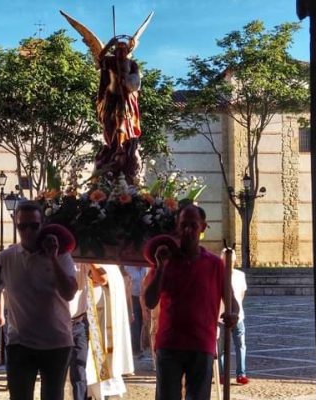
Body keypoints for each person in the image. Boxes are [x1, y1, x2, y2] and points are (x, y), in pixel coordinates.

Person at [0, 201, 78, 400]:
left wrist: (52, 257)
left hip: (56, 343)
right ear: (16, 226)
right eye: (22, 226)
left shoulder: (61, 256)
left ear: (42, 225)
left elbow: (69, 292)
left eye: (33, 226)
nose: (28, 231)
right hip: (20, 344)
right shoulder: (6, 258)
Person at [144, 205, 239, 400]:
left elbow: (231, 300)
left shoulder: (214, 264)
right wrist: (161, 268)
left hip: (201, 344)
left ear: (203, 227)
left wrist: (233, 315)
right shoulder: (164, 261)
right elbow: (150, 301)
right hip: (169, 345)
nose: (188, 230)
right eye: (184, 225)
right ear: (177, 227)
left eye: (193, 225)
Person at [94, 38, 142, 185]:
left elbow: (137, 82)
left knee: (121, 120)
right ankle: (110, 146)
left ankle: (121, 146)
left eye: (124, 49)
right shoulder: (109, 61)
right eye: (118, 49)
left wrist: (127, 82)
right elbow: (99, 58)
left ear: (128, 51)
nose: (121, 52)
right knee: (108, 124)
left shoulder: (132, 64)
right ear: (115, 51)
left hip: (123, 98)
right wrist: (108, 44)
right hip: (109, 97)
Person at [86, 264, 134, 400]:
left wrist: (90, 263)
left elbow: (102, 279)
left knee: (101, 368)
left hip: (102, 324)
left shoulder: (109, 266)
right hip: (89, 319)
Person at [67, 263, 108, 400]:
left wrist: (90, 260)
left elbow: (103, 279)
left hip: (79, 324)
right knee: (56, 372)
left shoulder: (84, 263)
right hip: (58, 324)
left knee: (79, 371)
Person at [218, 248, 249, 385]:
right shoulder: (218, 276)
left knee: (240, 345)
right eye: (225, 259)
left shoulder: (240, 275)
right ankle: (223, 375)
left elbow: (241, 295)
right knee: (221, 348)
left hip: (238, 317)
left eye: (230, 259)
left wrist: (236, 311)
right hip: (221, 317)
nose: (228, 262)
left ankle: (241, 374)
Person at [125, 265, 148, 358]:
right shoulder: (127, 268)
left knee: (144, 323)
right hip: (133, 298)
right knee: (135, 324)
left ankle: (143, 346)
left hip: (144, 298)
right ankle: (136, 349)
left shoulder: (145, 268)